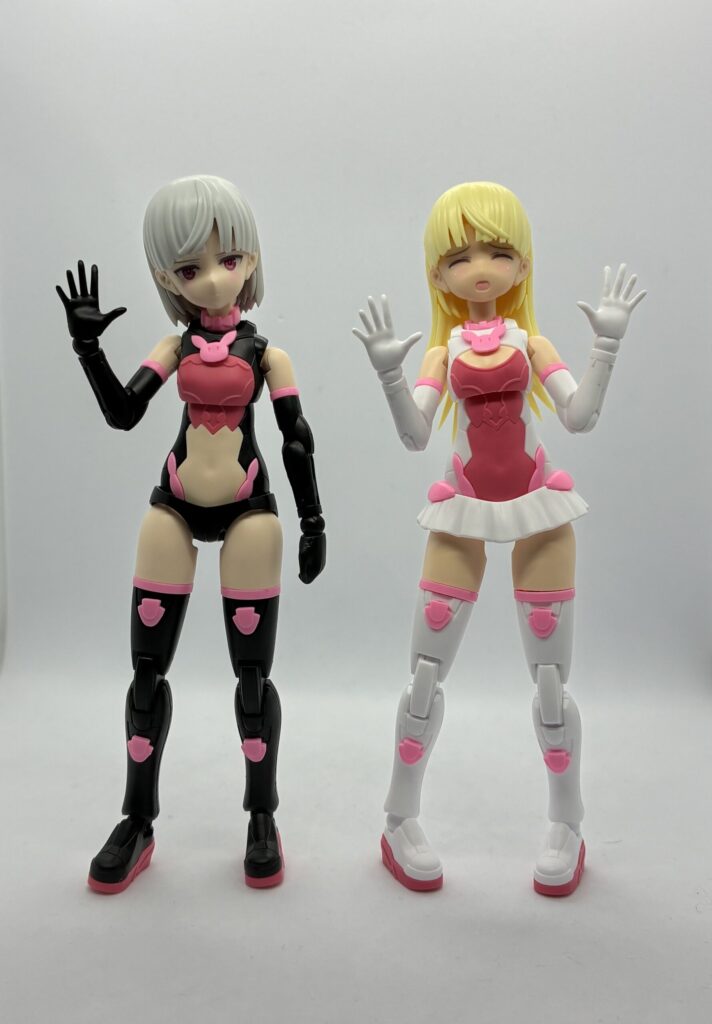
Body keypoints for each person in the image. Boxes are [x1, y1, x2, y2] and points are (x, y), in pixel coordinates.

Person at [353, 181, 644, 895]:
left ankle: (567, 823)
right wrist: (390, 375)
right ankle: (398, 818)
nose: (479, 268)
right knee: (426, 673)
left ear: (522, 263)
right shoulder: (443, 350)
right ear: (438, 274)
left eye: (497, 251)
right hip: (464, 506)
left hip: (538, 506)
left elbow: (578, 416)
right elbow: (416, 434)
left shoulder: (530, 342)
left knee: (549, 682)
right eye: (460, 256)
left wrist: (606, 344)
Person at [57, 174, 325, 892]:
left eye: (227, 258)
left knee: (252, 678)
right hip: (174, 504)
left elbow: (296, 439)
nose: (211, 278)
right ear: (168, 277)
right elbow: (123, 412)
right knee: (146, 674)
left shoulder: (268, 355)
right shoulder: (173, 348)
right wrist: (87, 350)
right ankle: (136, 819)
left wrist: (313, 520)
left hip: (248, 509)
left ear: (250, 257)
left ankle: (262, 814)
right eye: (188, 268)